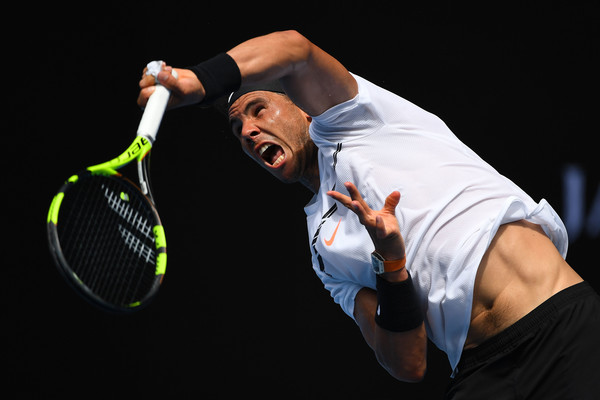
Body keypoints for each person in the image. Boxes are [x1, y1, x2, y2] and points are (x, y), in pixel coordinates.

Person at [138, 30, 600, 398]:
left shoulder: (356, 122)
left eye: (259, 110)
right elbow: (406, 363)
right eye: (240, 132)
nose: (250, 132)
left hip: (562, 328)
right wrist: (390, 265)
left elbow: (294, 48)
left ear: (301, 107)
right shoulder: (322, 247)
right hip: (483, 373)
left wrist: (198, 82)